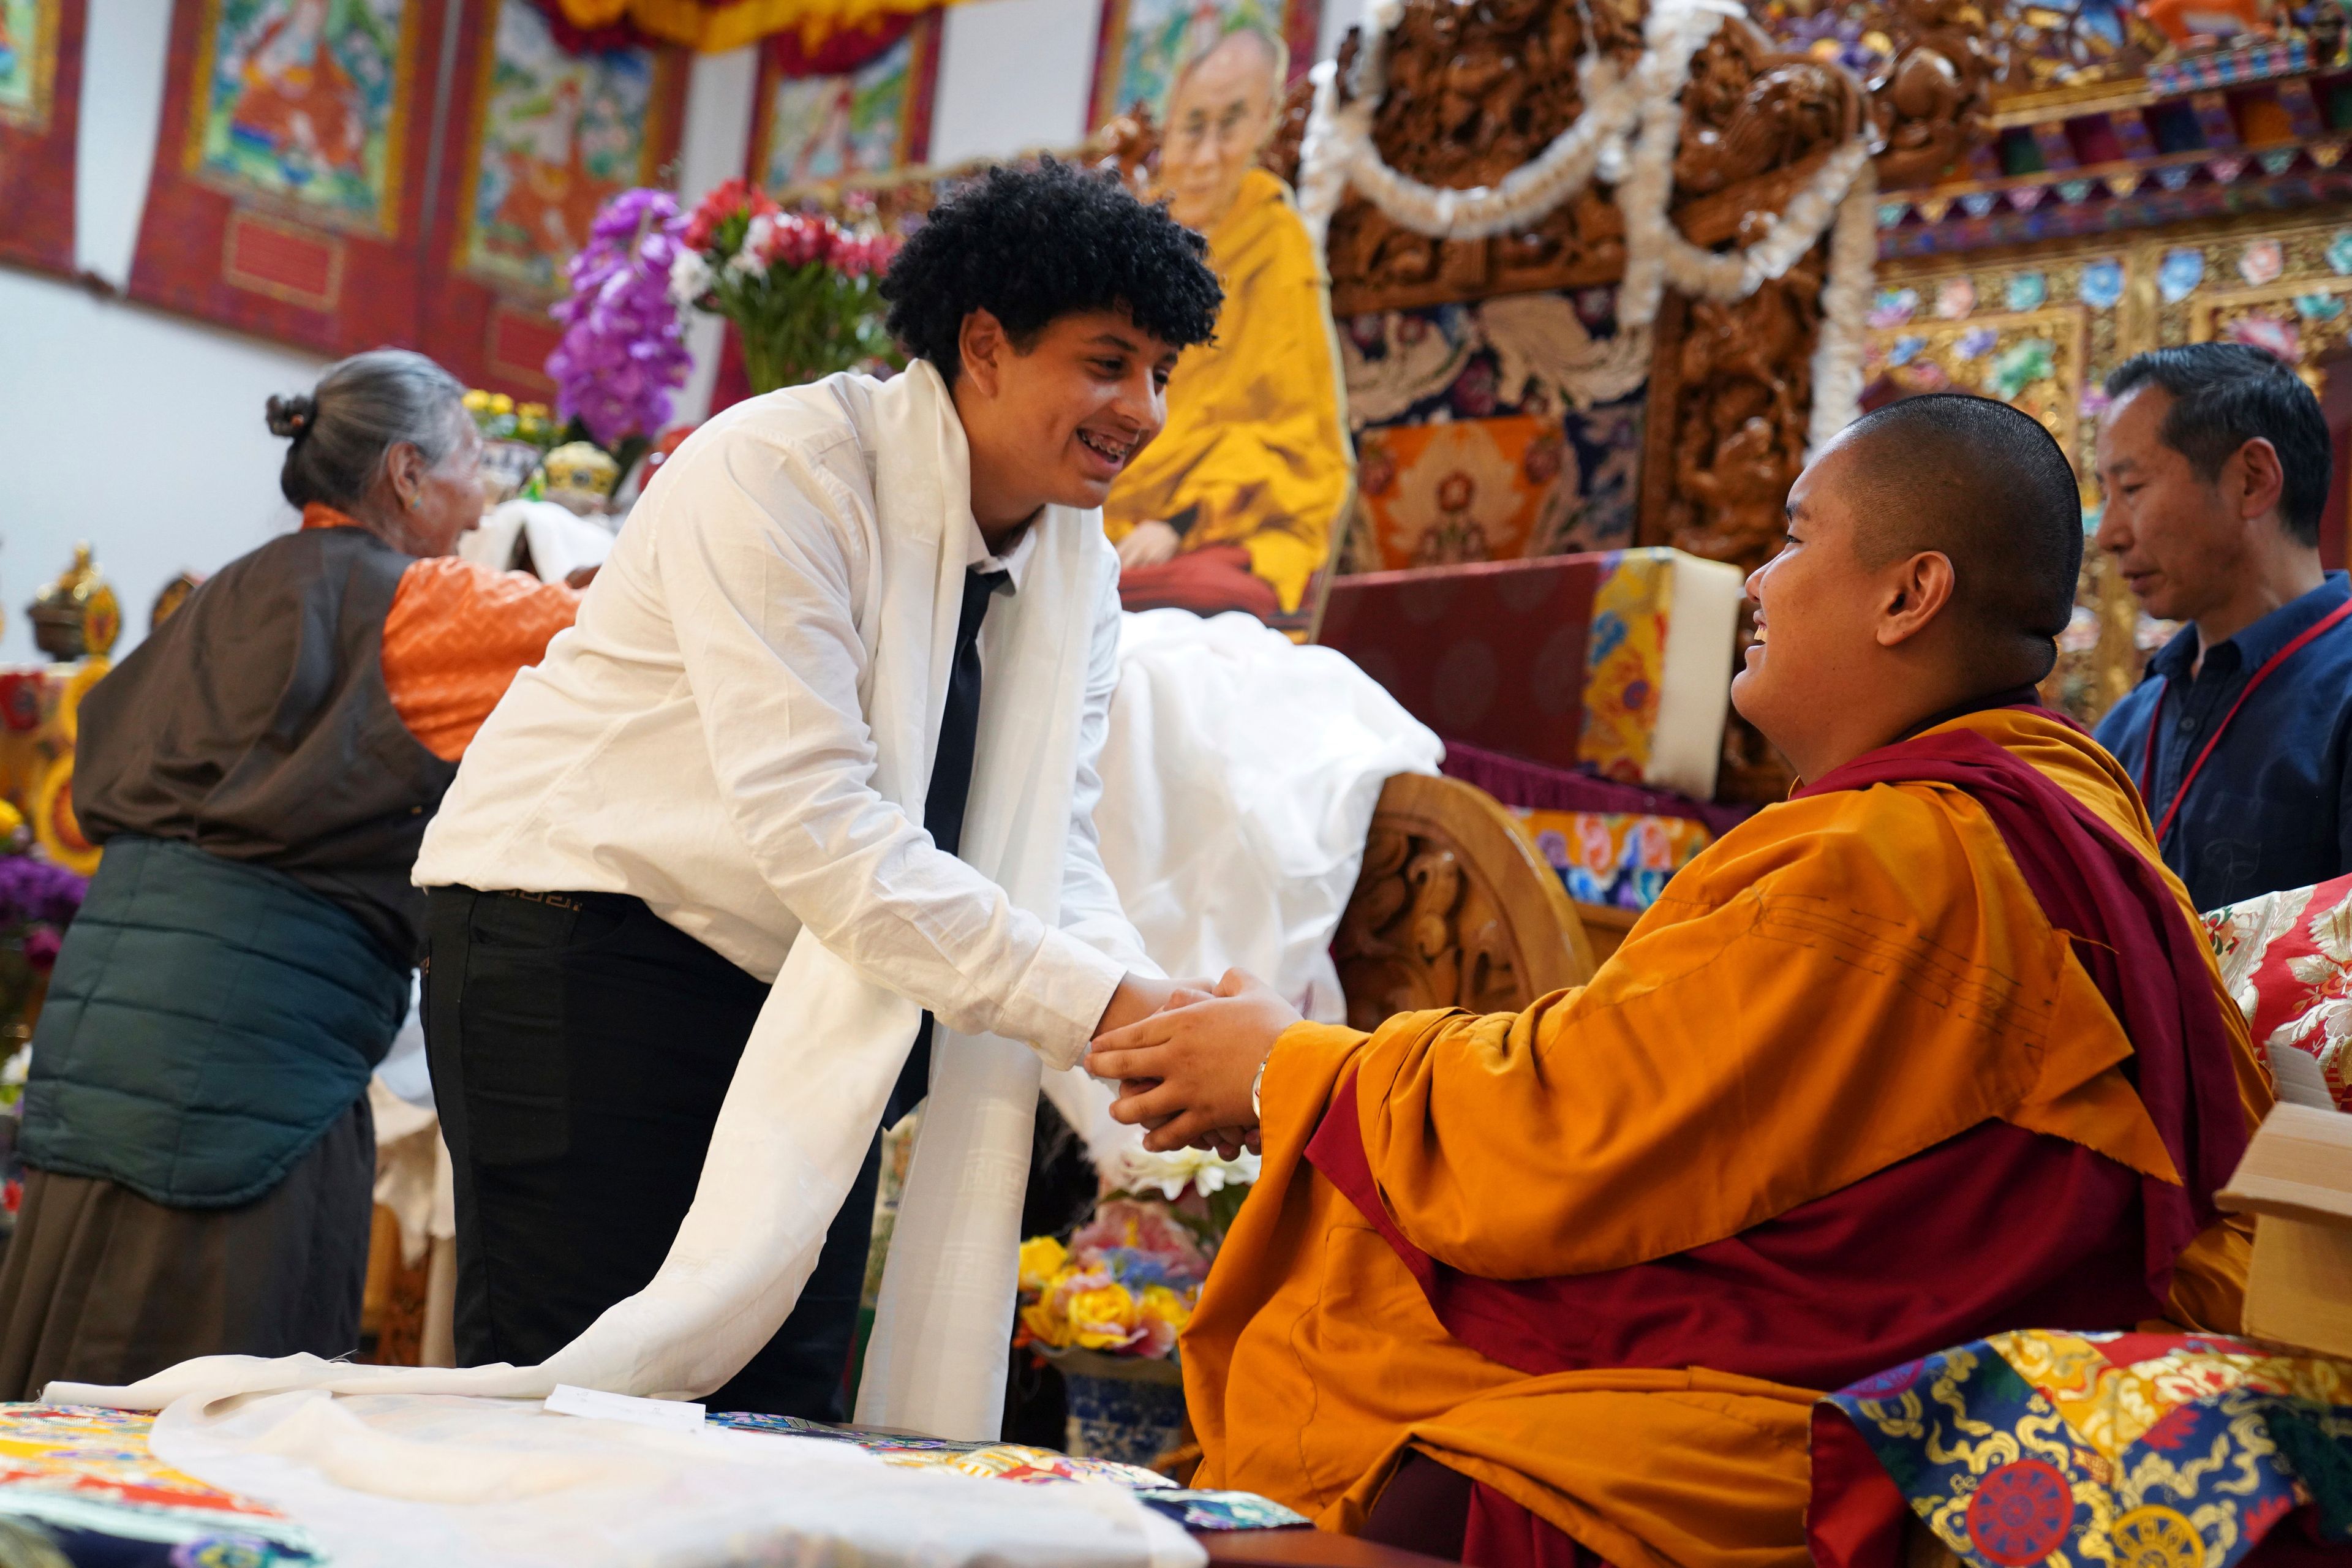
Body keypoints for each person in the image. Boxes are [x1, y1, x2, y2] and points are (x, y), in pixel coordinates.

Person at [1088, 393, 2271, 1567]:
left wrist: (1284, 1066)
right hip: (1901, 1331)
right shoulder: (2075, 815)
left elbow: (1574, 1123)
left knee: (1375, 1394)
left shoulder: (1900, 857)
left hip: (1828, 1373)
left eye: (1797, 538)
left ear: (1909, 596)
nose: (1755, 580)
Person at [411, 159, 1224, 1423]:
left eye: (1162, 373)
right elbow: (822, 826)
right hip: (578, 933)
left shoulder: (1079, 570)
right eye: (1110, 363)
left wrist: (1153, 1031)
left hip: (806, 979)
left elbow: (1045, 855)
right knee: (577, 1407)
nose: (1146, 410)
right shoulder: (780, 469)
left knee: (772, 1405)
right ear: (986, 344)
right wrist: (1103, 1002)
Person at [0, 349, 580, 1398]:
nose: (484, 496)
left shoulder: (221, 594)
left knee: (65, 1366)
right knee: (205, 1403)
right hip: (243, 1073)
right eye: (473, 464)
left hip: (104, 1043)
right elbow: (617, 640)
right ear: (405, 473)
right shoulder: (416, 607)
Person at [1102, 26, 1352, 631]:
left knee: (1203, 592)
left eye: (1232, 124)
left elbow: (1288, 434)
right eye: (1194, 125)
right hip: (1108, 504)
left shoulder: (1273, 239)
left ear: (1266, 123)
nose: (1209, 153)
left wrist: (1180, 520)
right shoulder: (1132, 237)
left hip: (1232, 517)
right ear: (1167, 127)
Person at [2091, 342, 2351, 911]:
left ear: (2252, 480)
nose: (2108, 534)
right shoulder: (2125, 727)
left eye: (2131, 489)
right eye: (2105, 495)